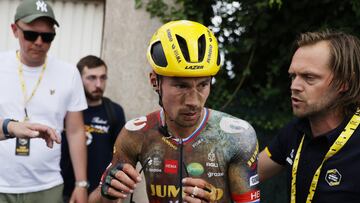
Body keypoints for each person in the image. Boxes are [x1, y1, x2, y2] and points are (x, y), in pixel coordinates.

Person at [95, 20, 260, 203]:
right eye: (181, 85)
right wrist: (107, 193)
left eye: (203, 85)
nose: (193, 101)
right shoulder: (135, 134)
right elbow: (102, 200)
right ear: (154, 82)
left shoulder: (237, 137)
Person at [0, 0, 88, 202]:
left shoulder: (69, 73)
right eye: (31, 35)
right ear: (15, 30)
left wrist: (81, 183)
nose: (39, 42)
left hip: (47, 186)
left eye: (47, 37)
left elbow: (75, 131)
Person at [258, 30, 360, 203]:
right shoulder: (295, 130)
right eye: (293, 76)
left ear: (344, 83)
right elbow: (246, 176)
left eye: (309, 77)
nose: (294, 86)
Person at [61, 55, 126, 202]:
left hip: (100, 193)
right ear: (78, 79)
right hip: (65, 191)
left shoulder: (114, 111)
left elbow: (121, 156)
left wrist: (114, 189)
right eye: (91, 78)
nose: (98, 84)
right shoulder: (66, 110)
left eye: (103, 78)